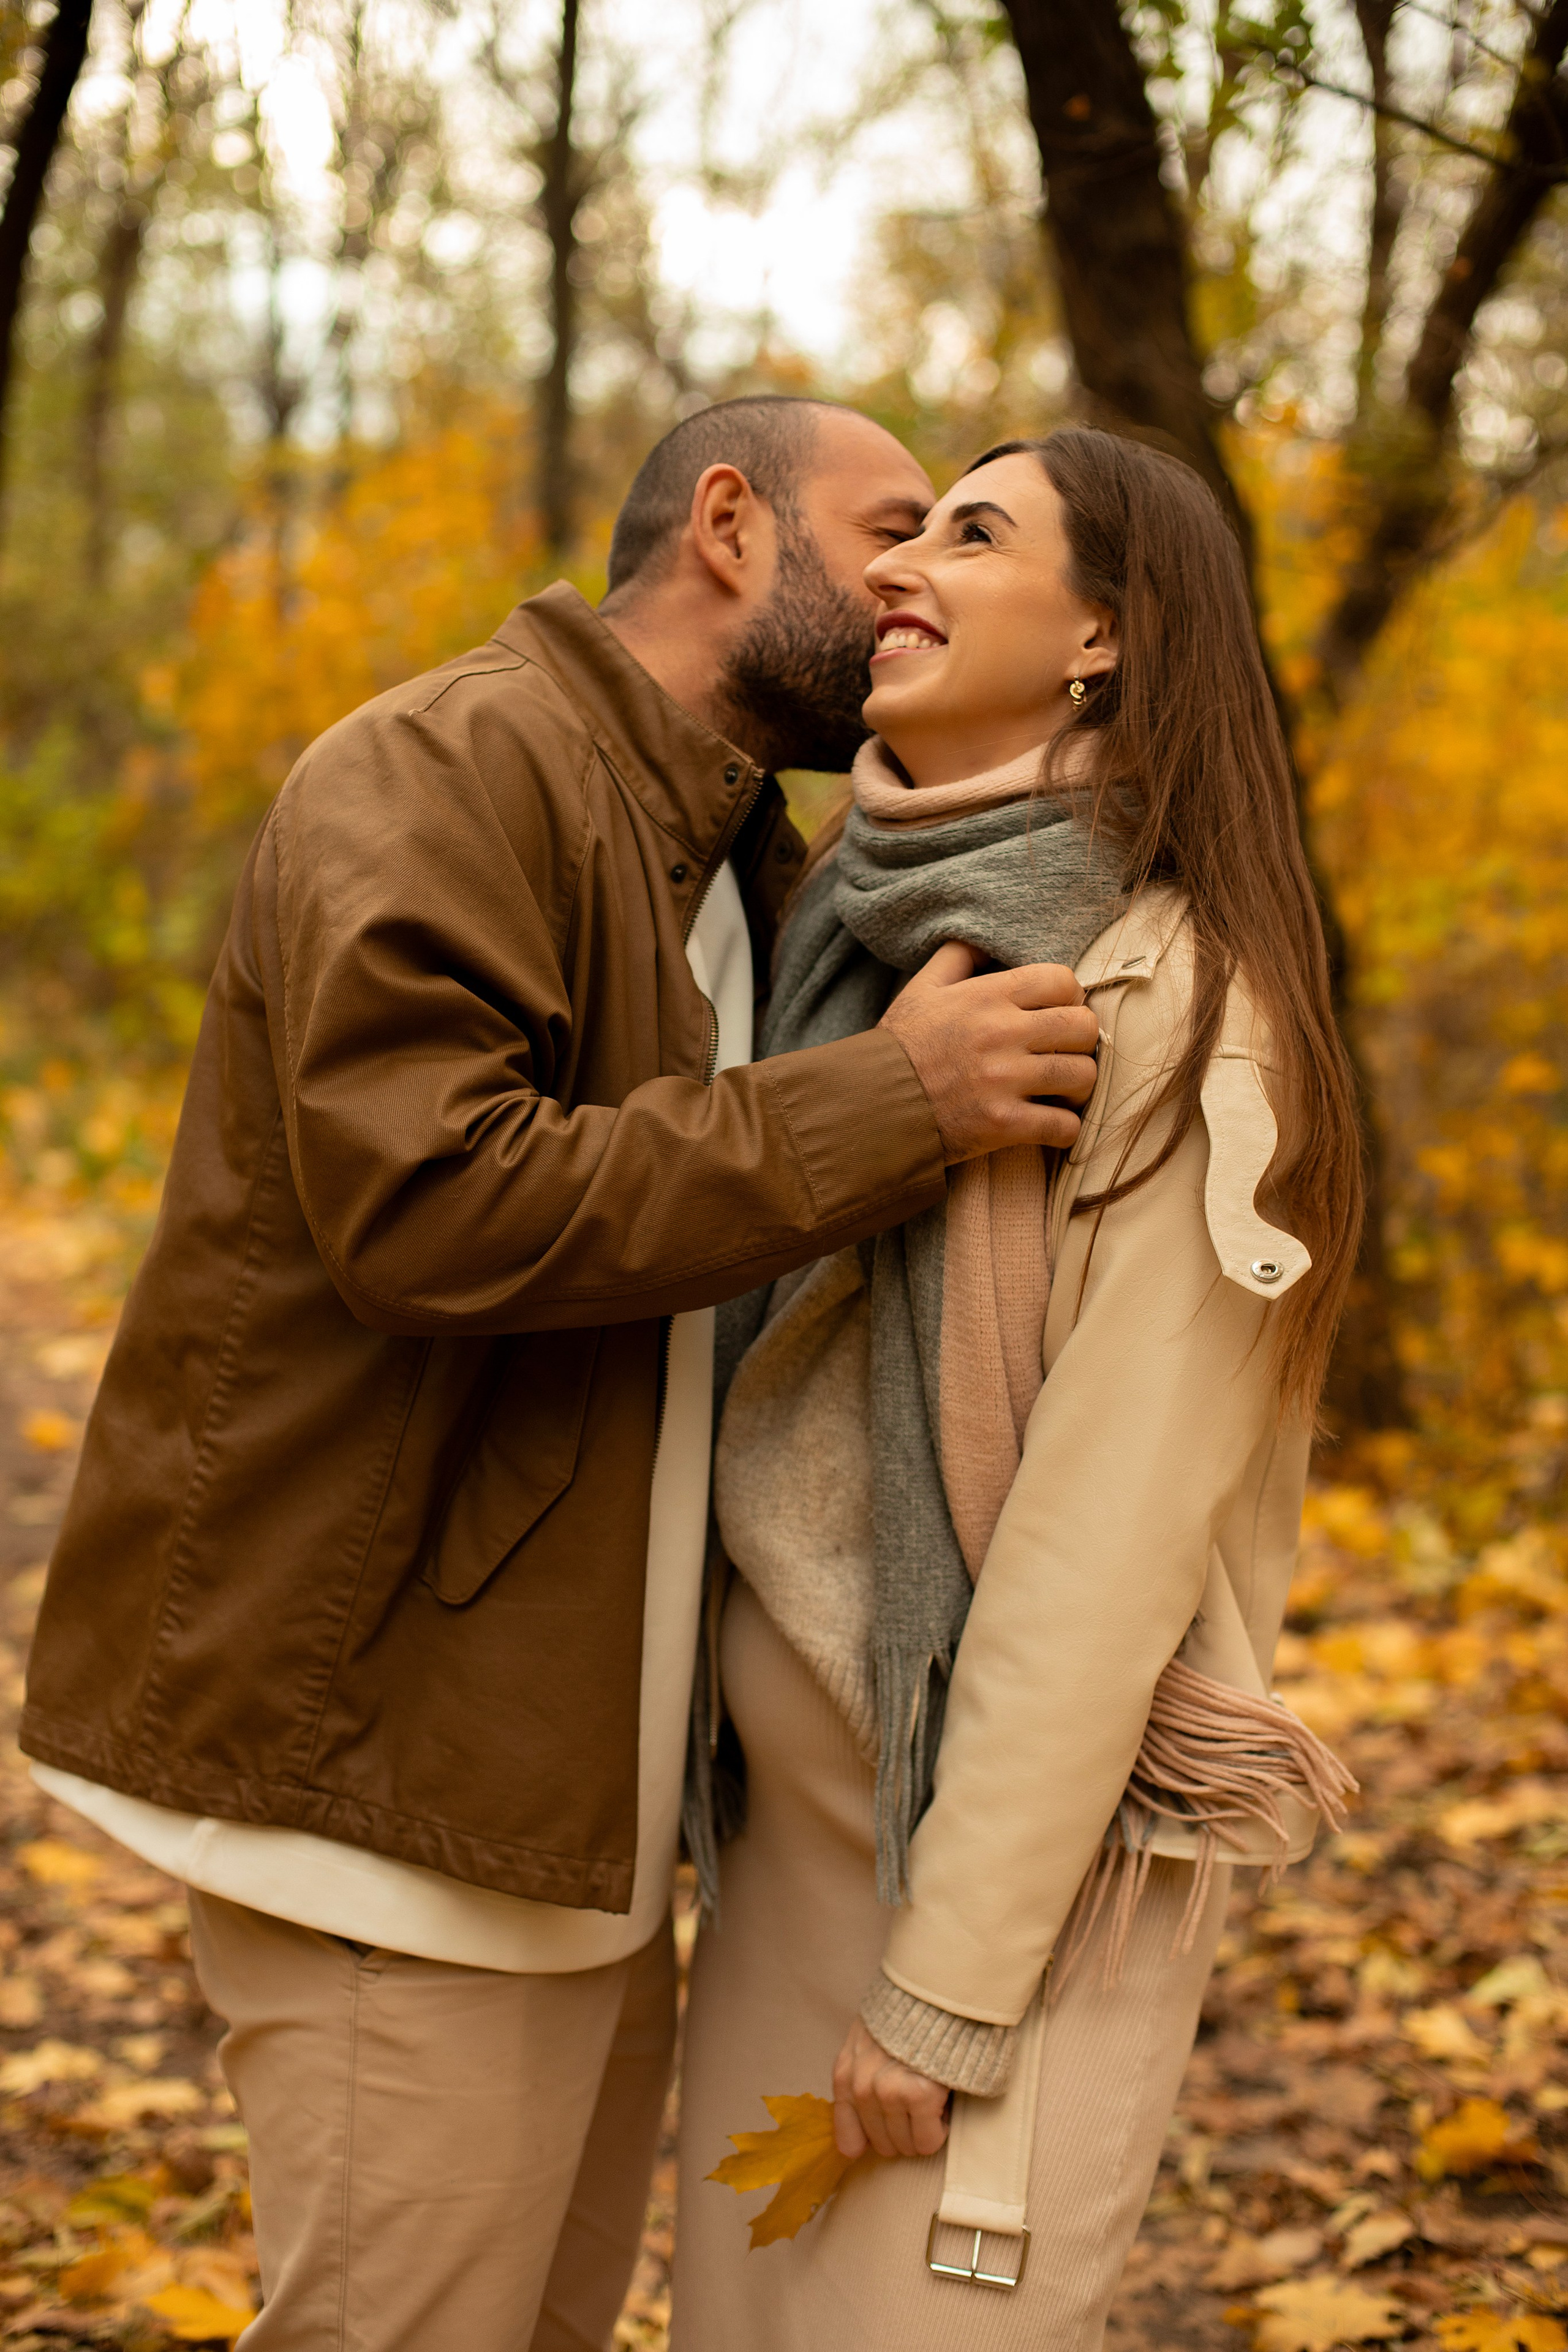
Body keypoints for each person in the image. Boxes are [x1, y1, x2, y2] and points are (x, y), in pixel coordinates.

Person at [19, 396, 1105, 2351]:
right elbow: (430, 1203)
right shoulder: (451, 764)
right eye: (885, 531)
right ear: (724, 523)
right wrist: (891, 1107)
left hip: (567, 1804)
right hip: (391, 1782)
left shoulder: (737, 850)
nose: (911, 584)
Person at [674, 426, 1365, 2351]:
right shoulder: (838, 930)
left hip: (990, 1906)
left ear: (1101, 644)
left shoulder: (1178, 1001)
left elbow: (1100, 1546)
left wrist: (952, 1985)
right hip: (785, 1868)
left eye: (970, 537)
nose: (904, 566)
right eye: (905, 531)